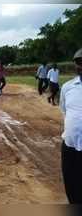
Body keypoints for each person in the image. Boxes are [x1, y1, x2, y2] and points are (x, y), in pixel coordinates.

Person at [59, 48, 82, 204]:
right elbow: (65, 111)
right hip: (70, 145)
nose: (81, 66)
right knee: (72, 188)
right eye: (79, 63)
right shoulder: (68, 87)